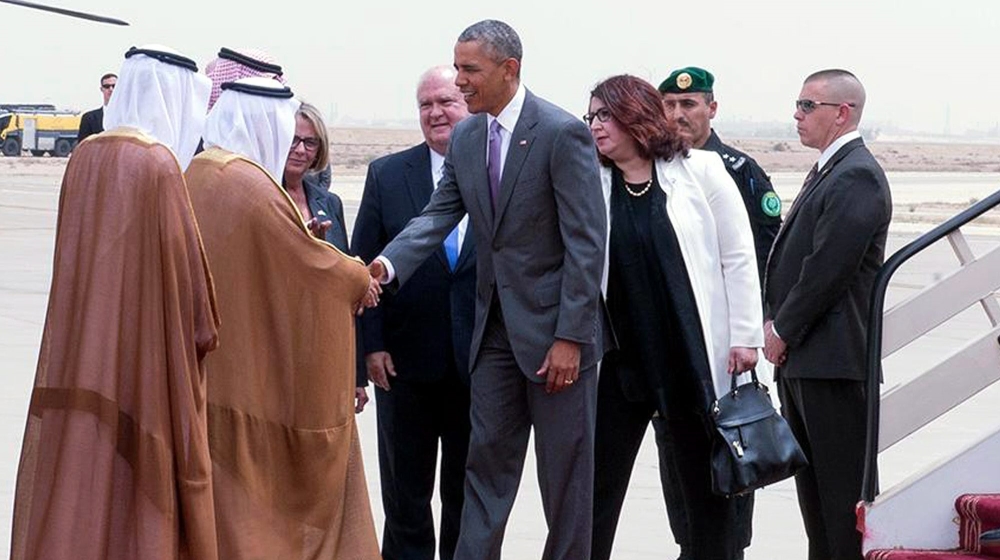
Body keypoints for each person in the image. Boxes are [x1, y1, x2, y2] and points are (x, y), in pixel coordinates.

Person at [368, 19, 609, 560]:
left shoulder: (561, 132)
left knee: (565, 484)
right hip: (493, 336)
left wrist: (571, 336)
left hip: (556, 340)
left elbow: (586, 245)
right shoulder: (469, 136)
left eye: (469, 69)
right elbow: (436, 216)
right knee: (484, 473)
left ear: (509, 69)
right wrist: (383, 268)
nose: (459, 82)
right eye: (456, 67)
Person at [11, 45, 219, 560]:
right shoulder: (159, 165)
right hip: (140, 357)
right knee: (135, 488)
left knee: (82, 477)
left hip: (82, 348)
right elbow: (193, 298)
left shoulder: (85, 155)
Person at [187, 77, 380, 559]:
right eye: (287, 133)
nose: (294, 147)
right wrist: (359, 278)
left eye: (308, 141)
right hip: (256, 376)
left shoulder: (201, 171)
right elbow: (313, 264)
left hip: (223, 368)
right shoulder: (250, 183)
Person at [585, 74, 762, 560]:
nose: (596, 126)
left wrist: (746, 336)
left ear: (635, 116)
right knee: (596, 488)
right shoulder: (593, 180)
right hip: (620, 364)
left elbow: (738, 256)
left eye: (606, 115)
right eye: (592, 116)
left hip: (690, 357)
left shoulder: (700, 170)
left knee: (705, 490)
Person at [763, 69, 892, 560]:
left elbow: (827, 268)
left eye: (806, 105)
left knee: (841, 507)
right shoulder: (829, 169)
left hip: (834, 365)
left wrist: (784, 328)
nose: (796, 115)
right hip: (808, 363)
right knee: (815, 505)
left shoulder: (856, 172)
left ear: (842, 113)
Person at [655, 65, 781, 559]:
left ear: (712, 107)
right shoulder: (653, 166)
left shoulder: (738, 169)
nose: (679, 114)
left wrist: (753, 327)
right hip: (672, 350)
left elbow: (765, 252)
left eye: (689, 104)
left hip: (728, 352)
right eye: (670, 105)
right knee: (676, 464)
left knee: (733, 454)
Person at [351, 65, 474, 560]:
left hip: (477, 364)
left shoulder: (498, 174)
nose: (436, 113)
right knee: (406, 497)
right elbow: (363, 267)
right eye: (426, 105)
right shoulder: (387, 174)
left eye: (446, 102)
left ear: (469, 106)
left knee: (467, 497)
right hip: (403, 365)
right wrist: (371, 346)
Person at [76, 72, 116, 142]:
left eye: (114, 86)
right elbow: (83, 145)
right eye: (107, 86)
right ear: (101, 89)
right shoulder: (89, 118)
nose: (111, 89)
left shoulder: (129, 117)